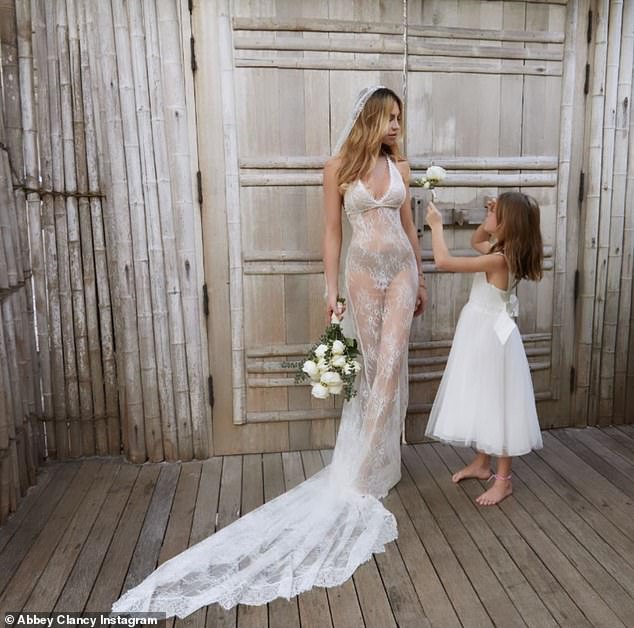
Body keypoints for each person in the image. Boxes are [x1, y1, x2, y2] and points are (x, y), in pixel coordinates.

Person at [111, 86, 426, 617]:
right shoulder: (336, 169)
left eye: (400, 117)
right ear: (370, 118)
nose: (397, 125)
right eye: (389, 117)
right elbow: (331, 234)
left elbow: (409, 227)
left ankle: (363, 476)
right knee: (371, 371)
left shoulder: (402, 168)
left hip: (401, 272)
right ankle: (372, 464)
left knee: (391, 369)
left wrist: (423, 282)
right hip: (362, 274)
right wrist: (331, 290)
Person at [424, 193, 544, 506]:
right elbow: (479, 239)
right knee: (483, 396)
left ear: (507, 225)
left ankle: (503, 481)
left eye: (494, 213)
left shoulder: (500, 259)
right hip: (482, 332)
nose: (487, 216)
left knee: (497, 402)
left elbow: (444, 262)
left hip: (492, 338)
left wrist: (436, 227)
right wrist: (488, 219)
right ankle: (481, 463)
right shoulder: (500, 251)